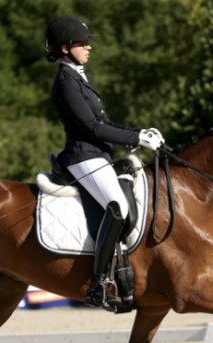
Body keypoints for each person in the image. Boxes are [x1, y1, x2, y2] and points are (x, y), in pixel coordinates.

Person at [45, 15, 165, 308]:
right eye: (82, 43)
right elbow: (92, 128)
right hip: (82, 157)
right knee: (118, 207)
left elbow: (104, 122)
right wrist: (136, 139)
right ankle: (97, 283)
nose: (89, 48)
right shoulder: (65, 82)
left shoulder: (79, 77)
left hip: (98, 155)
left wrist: (140, 132)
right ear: (64, 48)